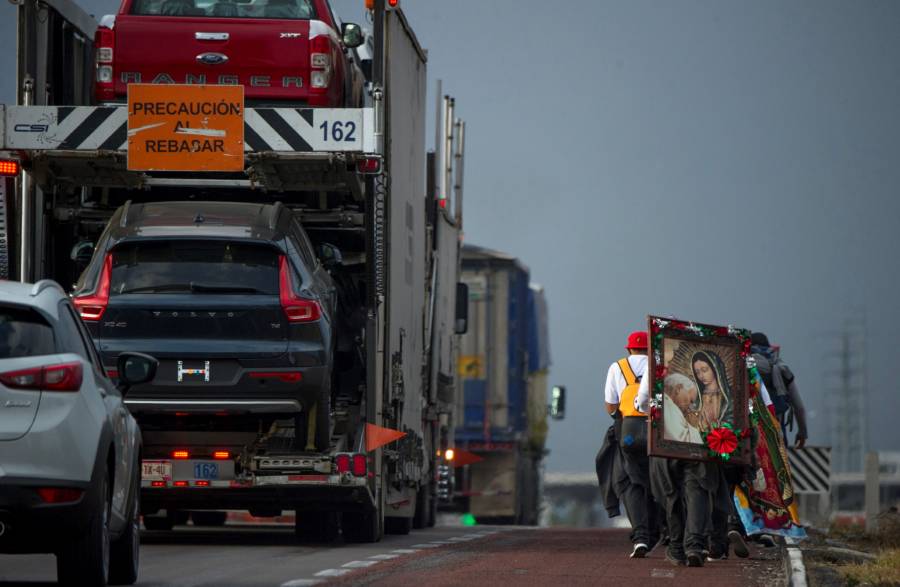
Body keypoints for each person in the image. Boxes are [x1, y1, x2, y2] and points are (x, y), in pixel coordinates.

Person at [637, 367, 729, 567]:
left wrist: (652, 414)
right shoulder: (673, 405)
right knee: (697, 491)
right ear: (678, 388)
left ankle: (677, 548)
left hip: (665, 449)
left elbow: (643, 399)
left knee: (671, 495)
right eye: (688, 400)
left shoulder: (655, 367)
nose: (690, 406)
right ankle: (694, 545)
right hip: (697, 451)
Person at [602, 331, 659, 559]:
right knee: (660, 482)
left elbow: (610, 405)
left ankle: (640, 537)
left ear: (629, 350)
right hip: (660, 432)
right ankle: (664, 533)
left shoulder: (617, 367)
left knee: (629, 481)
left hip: (630, 433)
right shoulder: (661, 366)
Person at [750, 332, 808, 448]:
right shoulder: (781, 368)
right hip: (775, 434)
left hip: (748, 437)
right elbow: (799, 407)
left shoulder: (741, 365)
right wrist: (802, 432)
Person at [691, 351, 733, 432]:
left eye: (704, 370)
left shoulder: (729, 396)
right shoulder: (697, 397)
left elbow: (732, 422)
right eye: (697, 372)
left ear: (715, 368)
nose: (701, 376)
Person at [662, 373, 703, 444]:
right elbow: (683, 444)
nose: (689, 408)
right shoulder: (668, 405)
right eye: (690, 401)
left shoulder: (662, 401)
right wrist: (693, 427)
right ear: (678, 389)